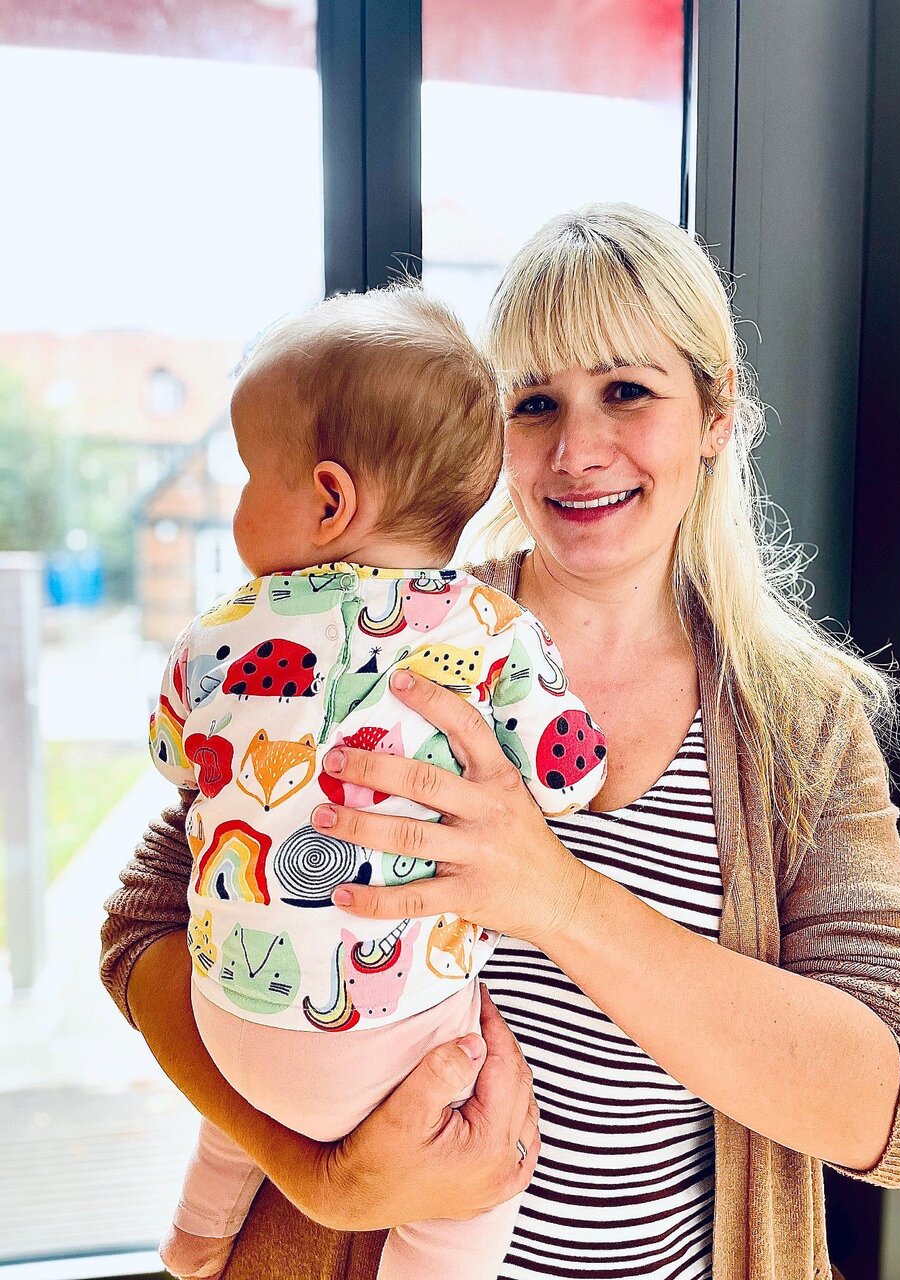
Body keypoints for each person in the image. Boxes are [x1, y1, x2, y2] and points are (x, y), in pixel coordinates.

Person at [102, 203, 900, 1280]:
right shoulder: (380, 638)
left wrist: (558, 895)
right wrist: (322, 1174)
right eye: (535, 401)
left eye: (627, 391)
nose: (576, 448)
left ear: (715, 410)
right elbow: (140, 932)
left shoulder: (800, 720)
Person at [147, 284, 606, 1280]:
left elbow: (174, 753)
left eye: (245, 477)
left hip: (225, 1017)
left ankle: (195, 1226)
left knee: (247, 1065)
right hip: (390, 1039)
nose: (235, 508)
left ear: (327, 499)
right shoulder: (493, 629)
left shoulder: (221, 629)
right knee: (479, 1177)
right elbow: (574, 774)